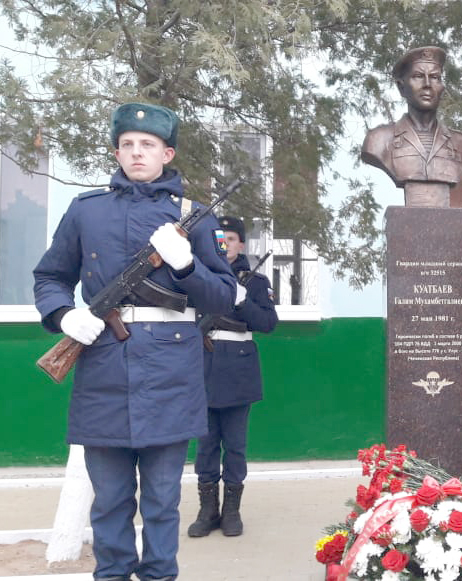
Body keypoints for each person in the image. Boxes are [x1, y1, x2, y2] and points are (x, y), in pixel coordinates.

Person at [33, 102, 236, 581]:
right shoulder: (87, 211)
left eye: (148, 145)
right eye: (127, 144)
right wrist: (64, 316)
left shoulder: (194, 217)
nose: (136, 152)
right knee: (109, 504)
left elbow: (225, 297)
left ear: (167, 153)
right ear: (117, 151)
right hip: (102, 368)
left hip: (170, 376)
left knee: (163, 503)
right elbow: (50, 277)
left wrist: (187, 266)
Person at [188, 216, 278, 538]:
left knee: (236, 446)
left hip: (239, 371)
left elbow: (268, 323)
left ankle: (232, 511)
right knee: (206, 445)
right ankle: (207, 510)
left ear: (241, 244)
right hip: (203, 368)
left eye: (231, 239)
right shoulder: (198, 276)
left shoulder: (255, 282)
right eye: (219, 240)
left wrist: (242, 299)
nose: (225, 246)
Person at [360, 46, 462, 206]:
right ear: (401, 87)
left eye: (434, 77)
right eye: (418, 76)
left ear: (442, 87)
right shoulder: (378, 141)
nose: (427, 84)